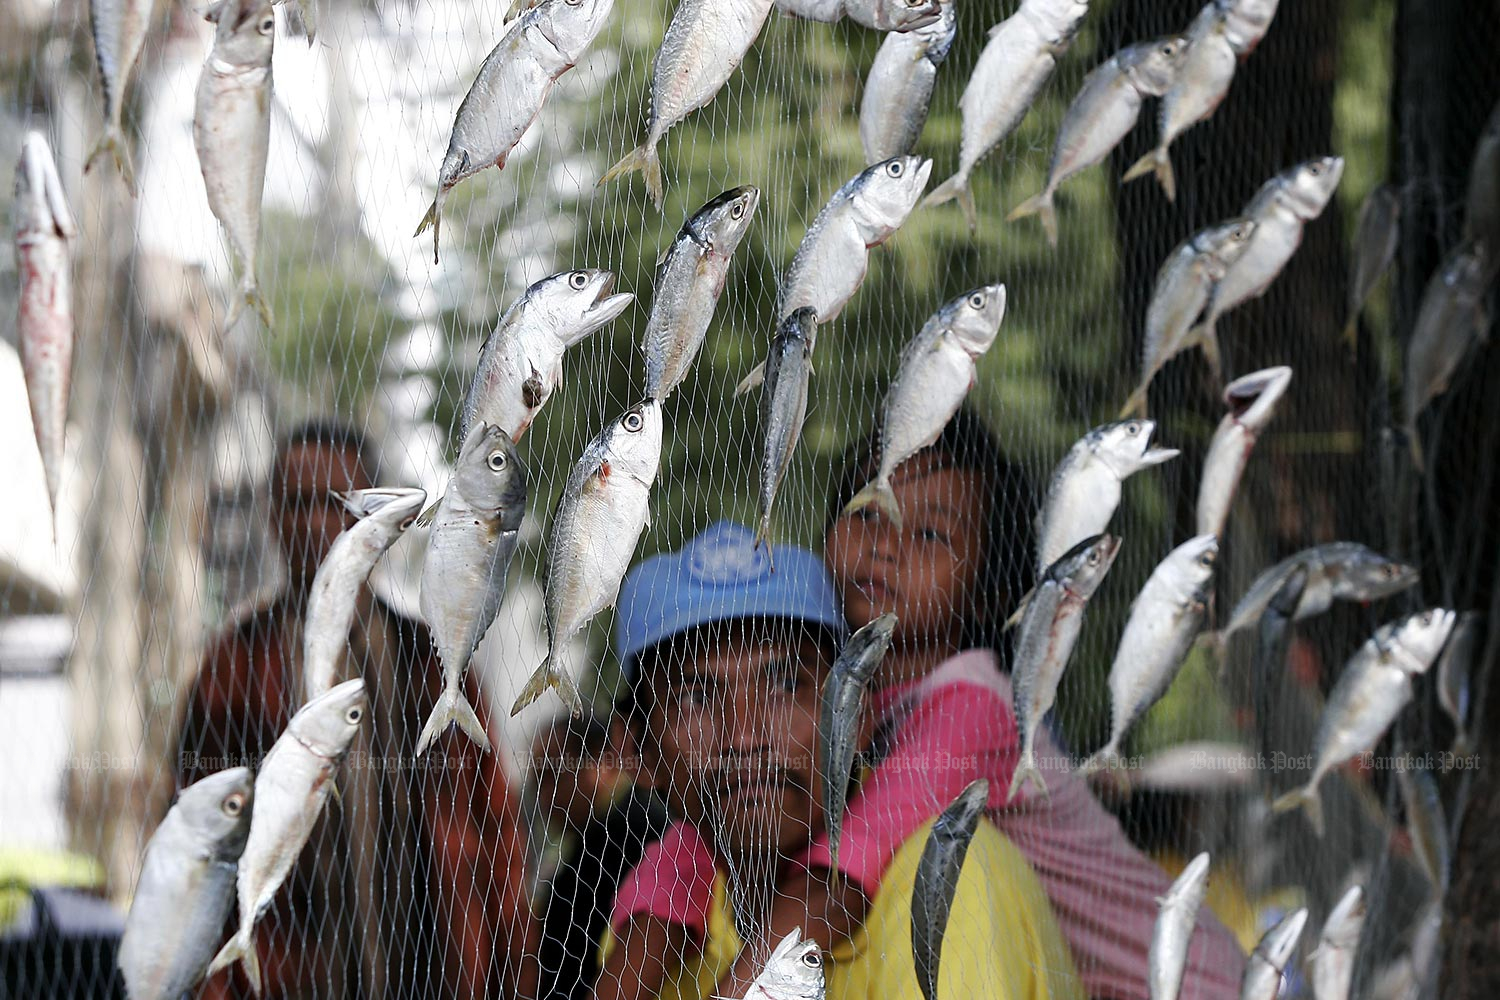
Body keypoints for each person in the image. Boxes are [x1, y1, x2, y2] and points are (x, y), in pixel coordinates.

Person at [607, 409, 1246, 1000]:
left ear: (994, 592)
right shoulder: (853, 702)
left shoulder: (975, 706)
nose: (887, 543)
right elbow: (702, 837)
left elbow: (842, 876)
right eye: (867, 510)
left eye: (933, 533)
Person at [594, 520, 1085, 1000]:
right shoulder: (660, 926)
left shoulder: (944, 882)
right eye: (695, 698)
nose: (743, 736)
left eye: (786, 686)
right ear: (635, 751)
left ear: (857, 716)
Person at [176, 421, 536, 1000]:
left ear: (380, 521)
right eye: (296, 504)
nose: (316, 524)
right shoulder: (235, 668)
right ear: (271, 517)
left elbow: (496, 835)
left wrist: (514, 967)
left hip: (435, 976)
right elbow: (198, 848)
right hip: (286, 978)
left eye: (336, 504)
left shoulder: (432, 665)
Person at [528, 709, 670, 1000]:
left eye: (553, 776)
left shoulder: (624, 833)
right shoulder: (616, 827)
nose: (546, 797)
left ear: (605, 762)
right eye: (538, 781)